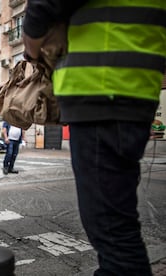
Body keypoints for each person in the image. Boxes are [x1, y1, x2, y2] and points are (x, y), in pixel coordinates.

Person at [23, 1, 165, 275]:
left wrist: (32, 49)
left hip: (101, 89)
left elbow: (43, 5)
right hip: (132, 87)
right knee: (116, 223)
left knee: (113, 234)